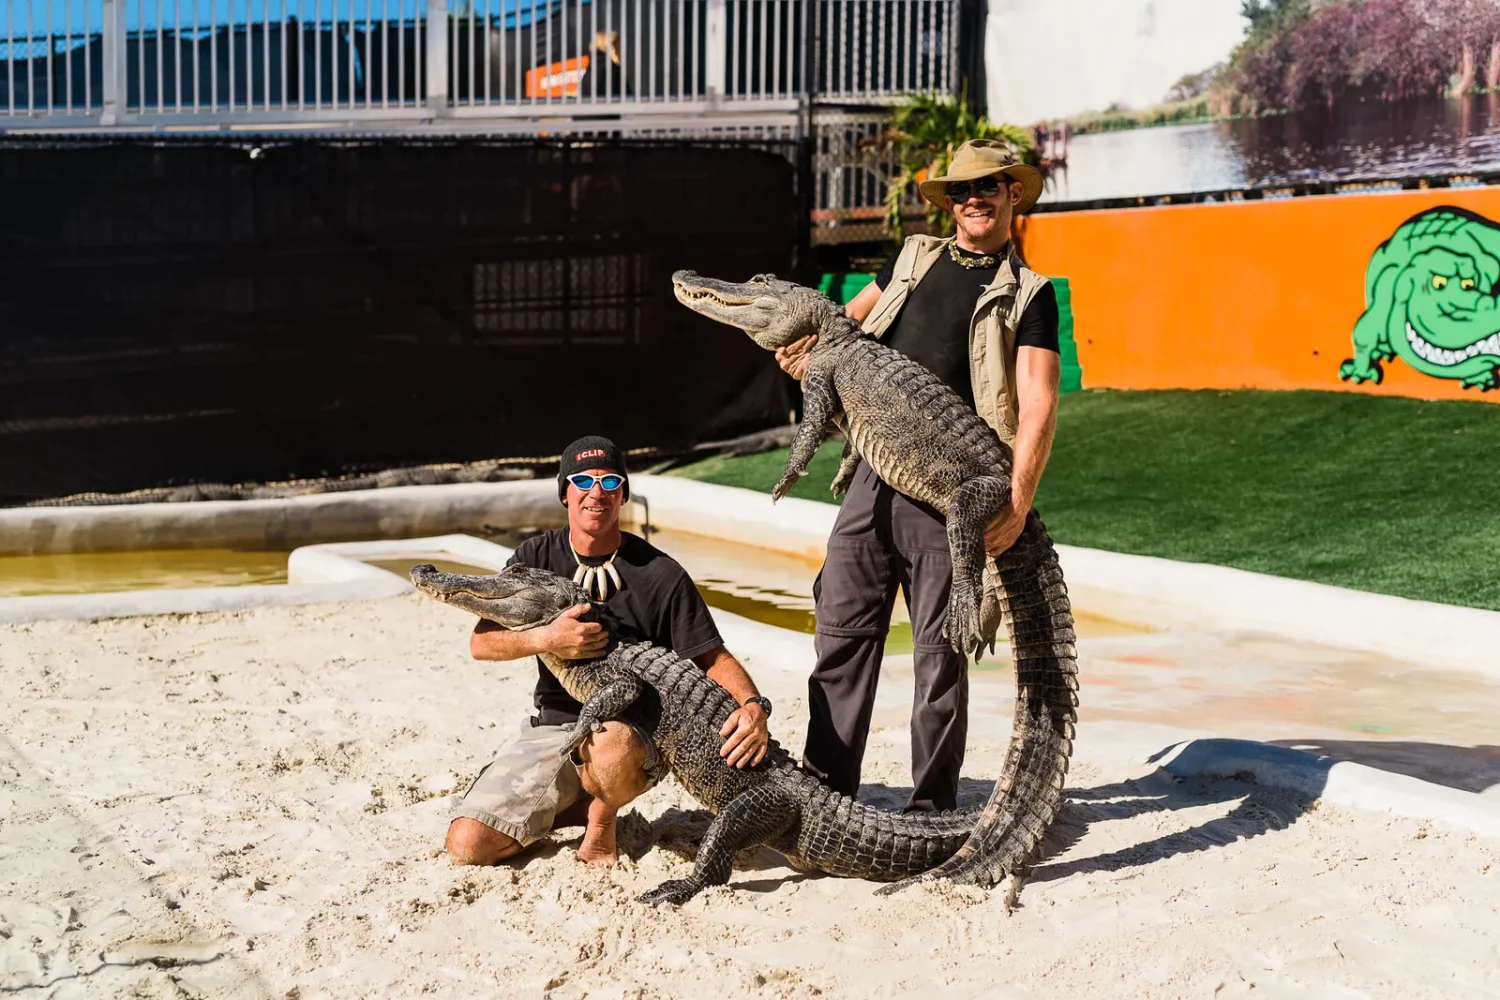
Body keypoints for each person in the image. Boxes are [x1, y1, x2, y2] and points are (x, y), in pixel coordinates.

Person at [774, 139, 1061, 814]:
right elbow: (845, 326)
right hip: (875, 471)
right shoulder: (910, 256)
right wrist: (806, 358)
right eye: (961, 191)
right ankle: (825, 792)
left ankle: (931, 808)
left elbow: (1040, 399)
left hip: (951, 489)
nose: (973, 201)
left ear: (1013, 195)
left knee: (940, 656)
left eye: (988, 187)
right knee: (841, 630)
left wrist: (1017, 501)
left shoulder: (1031, 294)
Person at [445, 435, 773, 867]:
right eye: (582, 480)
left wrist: (753, 706)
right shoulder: (534, 558)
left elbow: (713, 658)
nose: (595, 491)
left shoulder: (661, 574)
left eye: (609, 481)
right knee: (469, 845)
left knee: (613, 745)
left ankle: (601, 821)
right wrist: (547, 639)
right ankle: (570, 803)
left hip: (631, 734)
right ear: (565, 492)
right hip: (554, 726)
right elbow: (481, 642)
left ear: (622, 494)